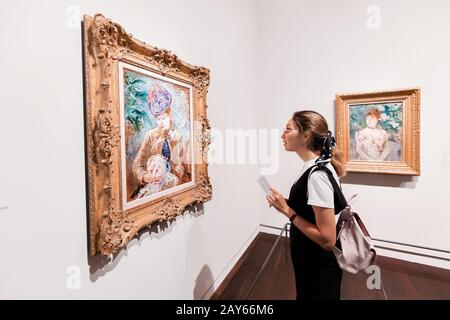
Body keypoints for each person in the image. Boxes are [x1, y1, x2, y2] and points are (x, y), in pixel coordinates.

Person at [267, 110, 347, 300]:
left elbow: (328, 240)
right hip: (310, 260)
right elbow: (309, 209)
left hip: (318, 265)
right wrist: (284, 203)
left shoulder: (318, 175)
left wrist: (287, 211)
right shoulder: (317, 166)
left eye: (288, 129)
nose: (282, 135)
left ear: (305, 135)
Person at [132, 85, 185, 191]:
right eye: (158, 119)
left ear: (170, 117)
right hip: (154, 184)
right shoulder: (151, 135)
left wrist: (177, 173)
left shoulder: (177, 137)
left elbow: (182, 164)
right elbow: (137, 164)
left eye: (163, 118)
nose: (160, 123)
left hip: (173, 185)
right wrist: (146, 177)